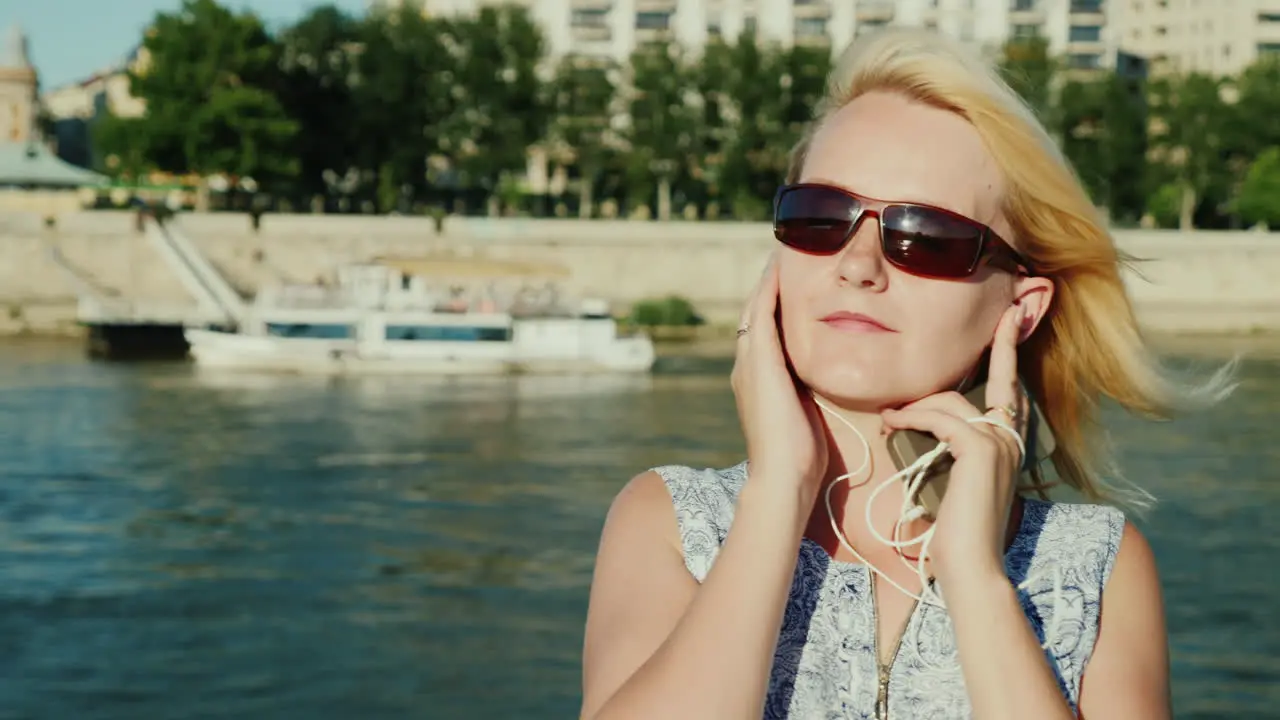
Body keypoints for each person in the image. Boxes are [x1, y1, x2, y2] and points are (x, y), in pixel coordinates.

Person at [579, 29, 1232, 720]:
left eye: (926, 236)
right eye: (820, 216)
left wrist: (976, 580)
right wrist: (778, 493)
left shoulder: (1096, 567)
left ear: (1019, 306)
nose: (858, 264)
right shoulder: (671, 522)